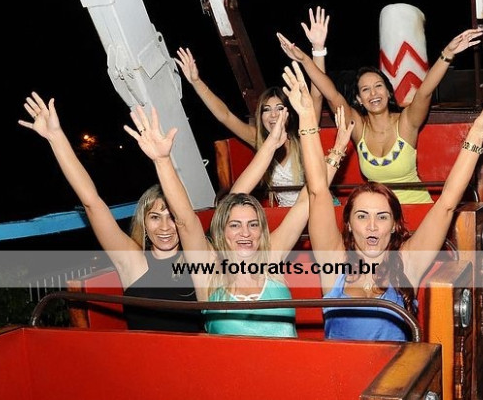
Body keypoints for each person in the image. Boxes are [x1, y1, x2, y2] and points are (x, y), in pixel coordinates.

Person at [282, 61, 483, 341]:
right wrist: (306, 120)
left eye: (382, 216)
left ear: (395, 225)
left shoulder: (407, 262)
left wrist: (475, 137)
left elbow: (447, 202)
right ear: (348, 224)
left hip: (397, 370)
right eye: (362, 216)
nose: (372, 226)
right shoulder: (334, 262)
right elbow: (317, 192)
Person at [123, 101, 352, 338]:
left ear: (262, 230)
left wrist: (337, 151)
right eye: (235, 225)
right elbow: (184, 221)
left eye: (253, 225)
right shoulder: (208, 272)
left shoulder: (270, 257)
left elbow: (307, 199)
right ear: (222, 232)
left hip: (289, 360)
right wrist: (162, 161)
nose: (245, 233)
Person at [18, 92, 203, 332]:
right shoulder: (134, 263)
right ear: (144, 222)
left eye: (171, 218)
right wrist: (56, 137)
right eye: (155, 217)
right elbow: (92, 203)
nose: (165, 227)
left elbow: (187, 221)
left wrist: (162, 160)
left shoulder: (199, 260)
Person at [277, 28, 483, 204]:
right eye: (365, 90)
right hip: (380, 215)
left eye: (378, 86)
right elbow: (331, 95)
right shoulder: (357, 127)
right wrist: (304, 59)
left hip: (418, 209)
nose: (373, 94)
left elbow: (424, 92)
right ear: (359, 99)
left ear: (388, 92)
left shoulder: (406, 122)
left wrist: (448, 53)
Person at [175, 7, 330, 207]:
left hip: (316, 208)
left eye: (279, 108)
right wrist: (196, 82)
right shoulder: (259, 139)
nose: (273, 115)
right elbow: (225, 116)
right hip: (286, 215)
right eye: (266, 110)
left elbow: (317, 96)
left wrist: (318, 49)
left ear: (290, 113)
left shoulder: (303, 135)